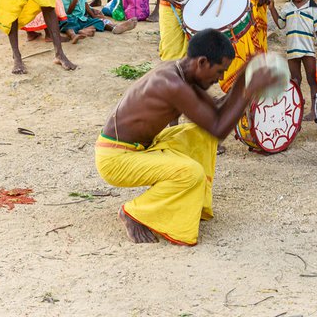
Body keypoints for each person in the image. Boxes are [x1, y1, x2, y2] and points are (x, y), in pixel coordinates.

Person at [95, 29, 278, 245]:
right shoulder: (172, 83)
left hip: (139, 148)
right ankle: (134, 213)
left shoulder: (183, 73)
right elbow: (219, 129)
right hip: (116, 159)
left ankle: (191, 203)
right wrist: (248, 89)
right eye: (219, 71)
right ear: (202, 62)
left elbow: (215, 114)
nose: (220, 78)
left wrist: (244, 78)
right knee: (191, 174)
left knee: (201, 135)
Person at [268, 0, 317, 120]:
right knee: (295, 81)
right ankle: (296, 109)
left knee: (312, 80)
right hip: (292, 51)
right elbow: (280, 24)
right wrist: (272, 8)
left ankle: (315, 109)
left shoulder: (313, 7)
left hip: (308, 51)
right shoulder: (287, 7)